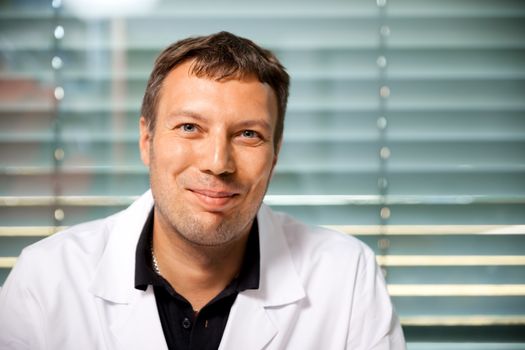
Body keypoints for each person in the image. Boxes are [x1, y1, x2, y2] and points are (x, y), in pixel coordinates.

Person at [0, 31, 405, 349]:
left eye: (248, 134)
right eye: (190, 127)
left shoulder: (347, 277)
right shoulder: (48, 278)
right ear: (147, 140)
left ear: (275, 154)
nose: (217, 162)